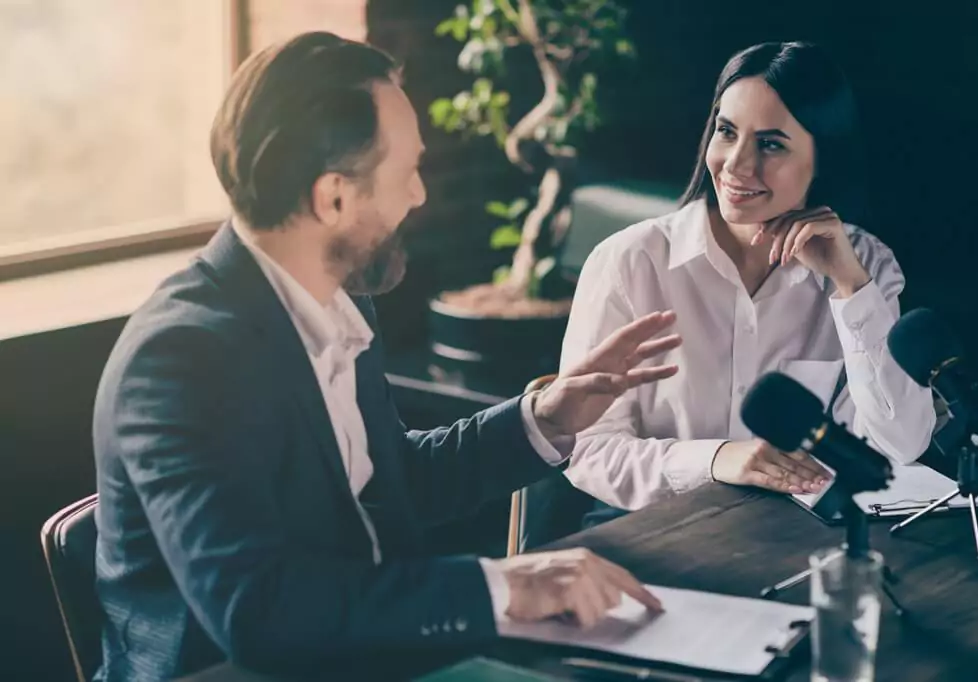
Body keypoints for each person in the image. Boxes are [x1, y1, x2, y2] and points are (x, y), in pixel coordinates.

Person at [92, 33, 680, 682]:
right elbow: (259, 615)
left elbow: (389, 481)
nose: (420, 196)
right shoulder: (179, 361)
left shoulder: (338, 299)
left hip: (369, 654)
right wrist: (503, 587)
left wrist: (546, 417)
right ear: (335, 198)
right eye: (407, 173)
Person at [559, 41, 936, 513]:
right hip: (650, 530)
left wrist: (849, 288)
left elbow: (903, 443)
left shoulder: (866, 266)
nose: (736, 164)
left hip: (793, 537)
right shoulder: (628, 263)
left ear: (824, 158)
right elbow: (588, 451)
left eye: (771, 144)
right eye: (726, 132)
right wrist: (717, 459)